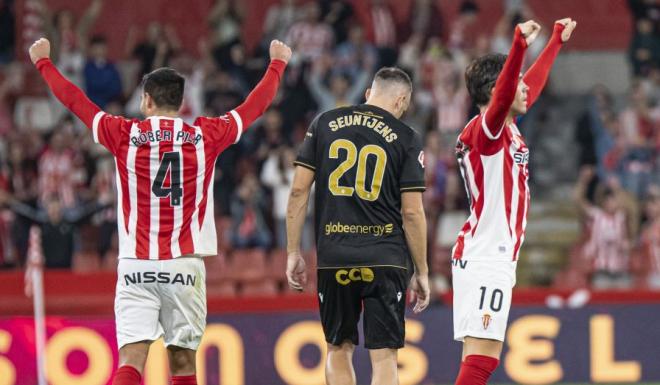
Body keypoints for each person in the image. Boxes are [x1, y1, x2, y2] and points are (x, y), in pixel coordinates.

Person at [28, 37, 291, 385]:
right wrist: (277, 64)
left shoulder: (123, 134)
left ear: (147, 100)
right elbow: (255, 106)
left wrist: (44, 62)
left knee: (131, 360)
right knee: (182, 364)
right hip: (184, 266)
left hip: (136, 264)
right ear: (181, 104)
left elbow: (76, 101)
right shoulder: (205, 135)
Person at [450, 18, 576, 385]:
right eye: (516, 81)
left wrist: (554, 42)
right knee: (482, 361)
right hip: (487, 255)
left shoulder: (505, 127)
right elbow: (508, 94)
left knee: (477, 358)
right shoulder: (484, 131)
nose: (526, 89)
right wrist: (518, 47)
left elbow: (528, 90)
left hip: (491, 254)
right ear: (495, 91)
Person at [286, 67, 430, 385]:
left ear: (368, 93)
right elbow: (412, 214)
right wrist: (421, 271)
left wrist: (293, 251)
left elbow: (298, 191)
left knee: (338, 348)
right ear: (402, 99)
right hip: (386, 258)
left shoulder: (323, 123)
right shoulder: (408, 138)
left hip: (335, 255)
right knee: (384, 356)